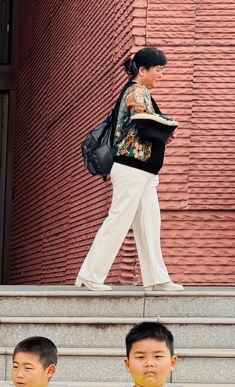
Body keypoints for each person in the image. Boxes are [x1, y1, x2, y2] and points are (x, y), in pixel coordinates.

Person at [75, 48, 183, 292]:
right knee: (119, 220)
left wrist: (163, 131)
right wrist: (169, 127)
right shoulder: (137, 91)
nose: (161, 75)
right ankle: (90, 275)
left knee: (149, 224)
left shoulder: (137, 91)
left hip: (142, 171)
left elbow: (145, 126)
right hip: (132, 168)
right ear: (142, 70)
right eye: (159, 70)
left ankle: (156, 278)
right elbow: (144, 122)